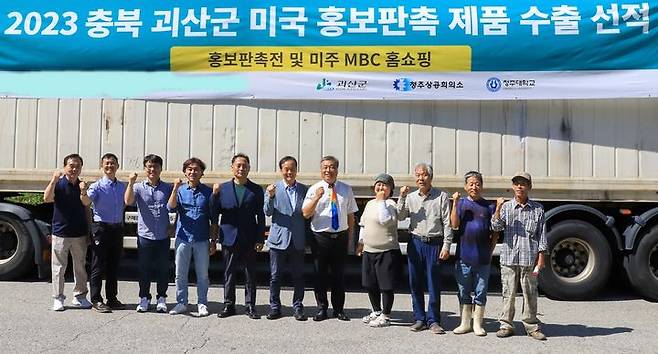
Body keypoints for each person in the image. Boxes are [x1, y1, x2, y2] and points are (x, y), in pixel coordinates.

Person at [397, 162, 452, 334]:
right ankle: (419, 318)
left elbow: (447, 223)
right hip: (416, 243)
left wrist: (447, 245)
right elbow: (399, 216)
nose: (421, 178)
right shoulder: (411, 197)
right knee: (415, 282)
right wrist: (402, 197)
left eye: (424, 175)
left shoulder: (441, 196)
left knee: (433, 283)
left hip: (434, 244)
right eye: (418, 175)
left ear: (431, 177)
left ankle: (433, 320)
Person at [491, 171, 548, 341]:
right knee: (508, 292)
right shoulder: (507, 207)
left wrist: (541, 257)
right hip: (509, 258)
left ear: (529, 187)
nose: (519, 186)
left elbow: (542, 235)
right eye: (516, 183)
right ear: (512, 186)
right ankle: (506, 325)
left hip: (529, 258)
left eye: (523, 183)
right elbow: (495, 227)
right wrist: (498, 208)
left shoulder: (537, 209)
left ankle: (532, 326)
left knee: (530, 293)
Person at [302, 155, 358, 322]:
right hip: (320, 237)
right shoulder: (314, 189)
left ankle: (339, 309)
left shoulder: (346, 189)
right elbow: (306, 213)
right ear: (321, 170)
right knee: (320, 274)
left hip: (339, 237)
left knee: (338, 275)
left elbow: (350, 215)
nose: (329, 170)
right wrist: (317, 197)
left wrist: (349, 237)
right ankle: (321, 308)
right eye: (325, 167)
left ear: (337, 169)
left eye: (332, 167)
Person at [215, 153, 265, 320]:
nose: (241, 168)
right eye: (238, 165)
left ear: (249, 168)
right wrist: (213, 196)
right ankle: (229, 304)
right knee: (229, 272)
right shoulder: (222, 189)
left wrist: (260, 238)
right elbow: (214, 212)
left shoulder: (256, 190)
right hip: (229, 236)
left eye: (245, 166)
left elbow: (261, 217)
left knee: (250, 272)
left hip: (249, 237)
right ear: (232, 168)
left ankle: (250, 305)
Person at [167, 157, 218, 317]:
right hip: (183, 237)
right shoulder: (180, 190)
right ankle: (182, 302)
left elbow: (214, 220)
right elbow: (170, 207)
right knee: (180, 273)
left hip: (202, 239)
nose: (192, 172)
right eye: (189, 169)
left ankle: (202, 303)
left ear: (202, 173)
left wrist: (213, 241)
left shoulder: (208, 192)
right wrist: (175, 188)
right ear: (185, 172)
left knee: (202, 274)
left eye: (196, 169)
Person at [450, 171, 498, 336]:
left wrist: (491, 251)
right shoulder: (462, 204)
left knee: (481, 291)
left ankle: (477, 324)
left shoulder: (488, 206)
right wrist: (455, 202)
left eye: (477, 183)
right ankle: (465, 323)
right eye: (470, 184)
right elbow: (454, 225)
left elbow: (495, 232)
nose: (474, 187)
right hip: (464, 256)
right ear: (465, 186)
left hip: (483, 258)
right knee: (463, 290)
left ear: (482, 186)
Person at [43, 153, 93, 311]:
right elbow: (47, 198)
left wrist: (83, 191)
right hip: (60, 233)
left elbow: (87, 205)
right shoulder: (58, 184)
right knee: (58, 267)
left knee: (80, 267)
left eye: (77, 166)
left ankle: (80, 297)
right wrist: (53, 180)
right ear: (65, 167)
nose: (74, 168)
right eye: (71, 165)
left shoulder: (82, 185)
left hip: (79, 233)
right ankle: (58, 298)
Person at [125, 154, 173, 313]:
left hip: (162, 236)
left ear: (161, 169)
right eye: (149, 166)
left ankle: (161, 298)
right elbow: (128, 201)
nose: (152, 169)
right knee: (144, 268)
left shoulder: (167, 188)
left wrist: (173, 225)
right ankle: (144, 298)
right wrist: (131, 183)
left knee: (163, 268)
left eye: (156, 166)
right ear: (145, 168)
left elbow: (177, 207)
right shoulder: (138, 187)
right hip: (145, 235)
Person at [264, 156, 309, 321]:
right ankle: (275, 307)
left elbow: (307, 213)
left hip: (297, 239)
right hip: (278, 239)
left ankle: (298, 306)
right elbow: (267, 212)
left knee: (298, 275)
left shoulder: (304, 189)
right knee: (275, 275)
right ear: (281, 170)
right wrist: (270, 196)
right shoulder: (273, 189)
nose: (289, 172)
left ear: (297, 170)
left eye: (292, 169)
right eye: (286, 169)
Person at [81, 153, 126, 313]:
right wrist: (83, 192)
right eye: (106, 163)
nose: (110, 166)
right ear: (102, 166)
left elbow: (127, 202)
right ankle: (96, 299)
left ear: (117, 166)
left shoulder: (122, 186)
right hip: (101, 228)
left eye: (113, 163)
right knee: (98, 265)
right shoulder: (97, 186)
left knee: (114, 265)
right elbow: (86, 202)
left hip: (117, 228)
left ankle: (112, 299)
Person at [356, 173, 402, 328]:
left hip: (386, 250)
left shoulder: (390, 205)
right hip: (369, 250)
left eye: (385, 185)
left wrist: (382, 201)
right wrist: (361, 242)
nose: (381, 187)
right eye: (378, 184)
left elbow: (385, 221)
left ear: (391, 189)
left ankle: (386, 315)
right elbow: (363, 224)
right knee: (370, 283)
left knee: (386, 285)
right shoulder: (369, 204)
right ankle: (376, 311)